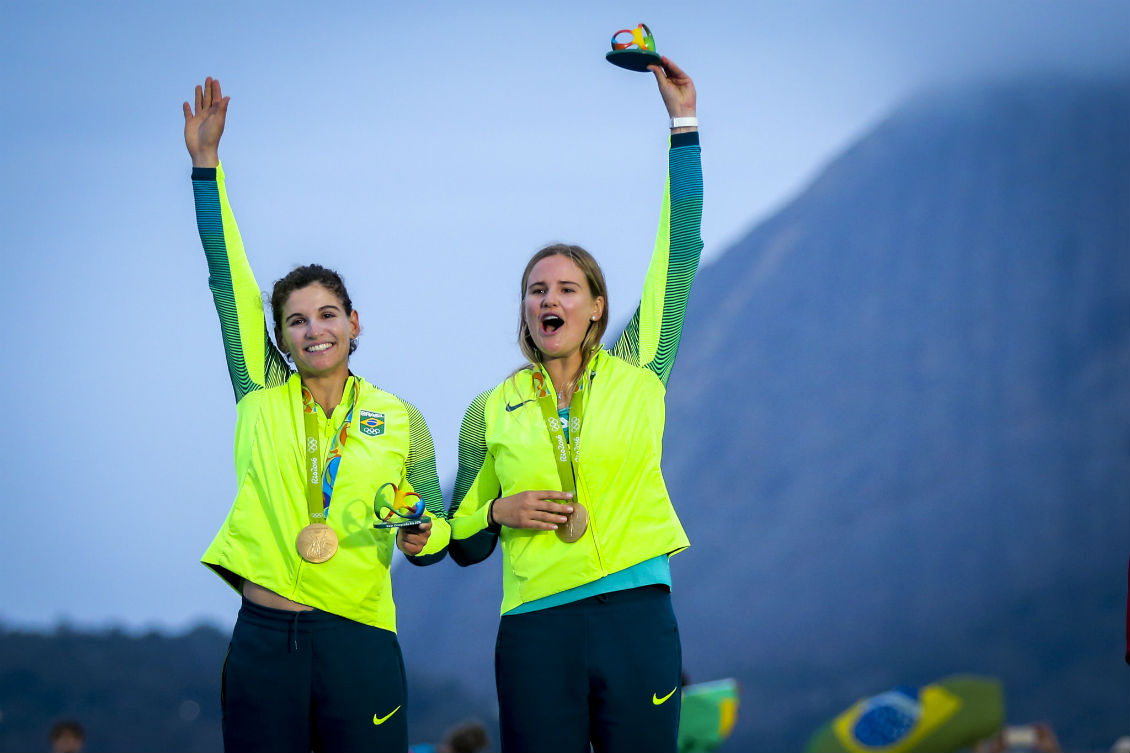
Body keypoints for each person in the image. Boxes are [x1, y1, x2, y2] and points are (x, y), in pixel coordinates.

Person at [183, 76, 449, 753]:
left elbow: (436, 515)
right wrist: (205, 168)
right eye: (296, 321)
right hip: (266, 637)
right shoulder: (261, 392)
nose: (314, 330)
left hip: (358, 637)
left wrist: (426, 536)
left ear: (354, 323)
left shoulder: (400, 416)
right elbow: (227, 279)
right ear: (279, 338)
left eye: (327, 314)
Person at [446, 57, 702, 753]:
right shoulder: (490, 409)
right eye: (536, 290)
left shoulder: (639, 368)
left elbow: (679, 255)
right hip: (535, 624)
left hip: (635, 611)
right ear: (523, 310)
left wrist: (683, 125)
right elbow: (462, 542)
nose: (548, 299)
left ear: (596, 310)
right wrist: (499, 510)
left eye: (565, 289)